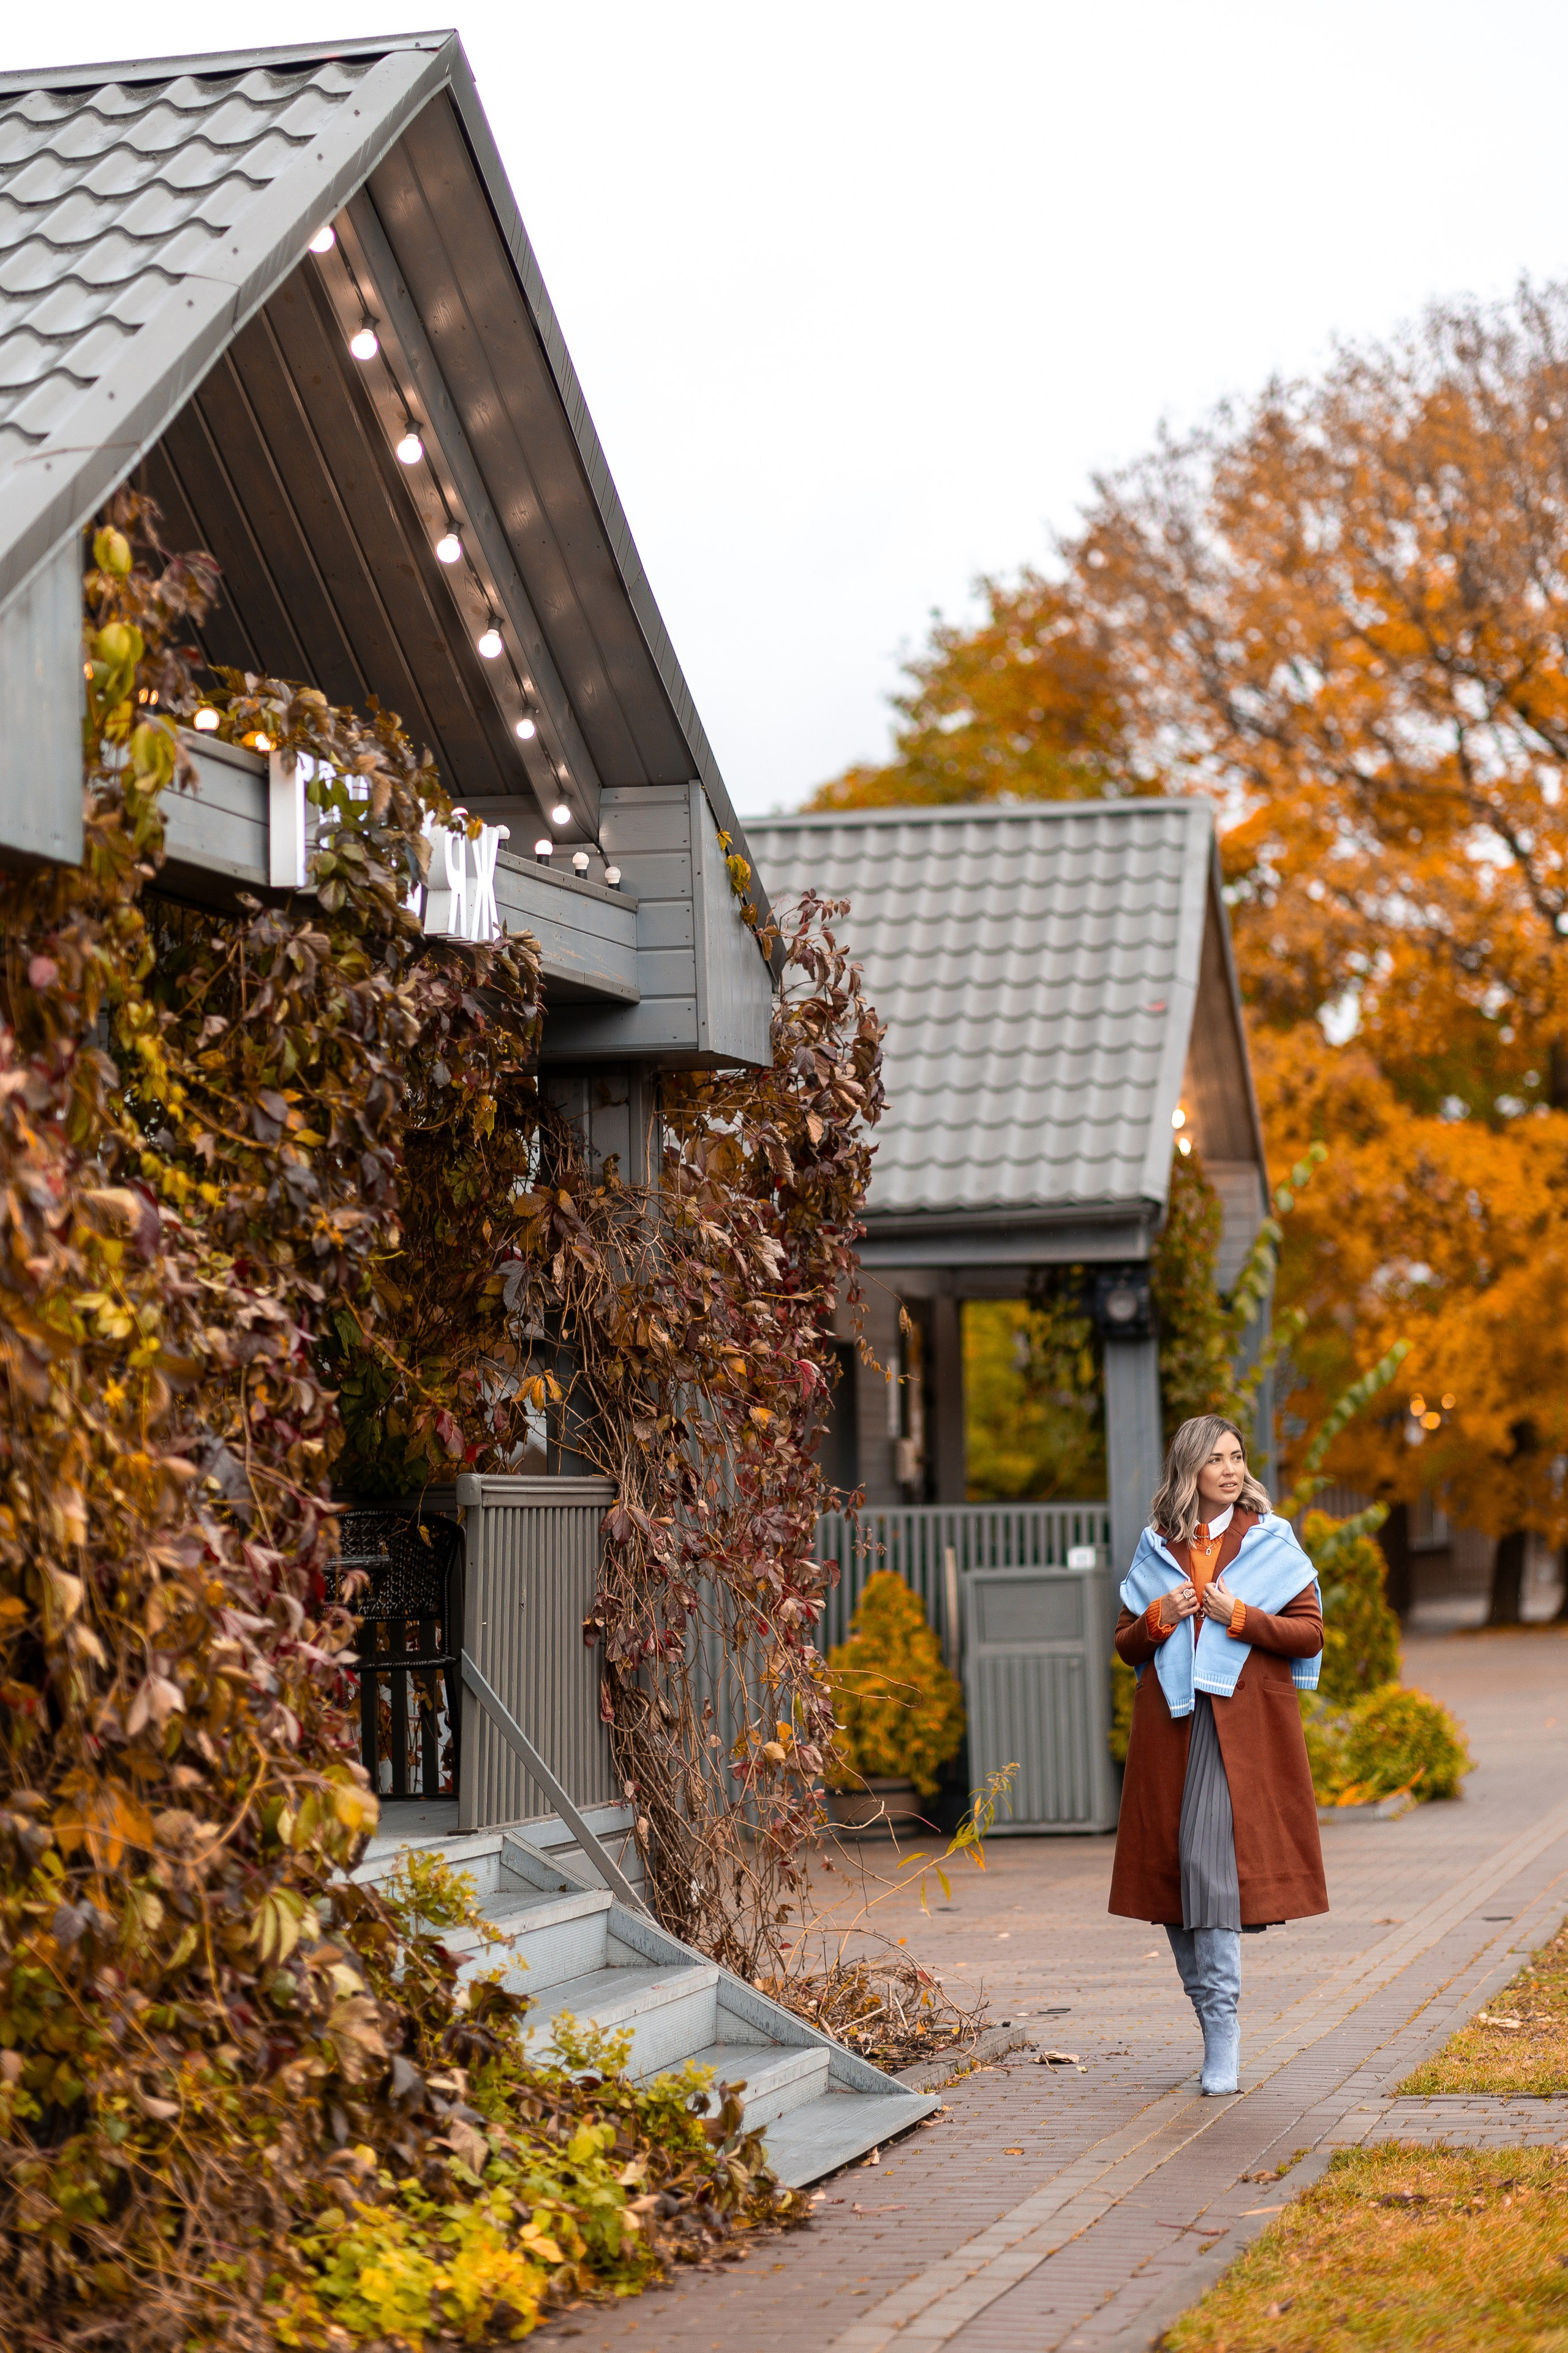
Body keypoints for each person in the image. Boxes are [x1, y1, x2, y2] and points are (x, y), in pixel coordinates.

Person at [1108, 1414, 1327, 2095]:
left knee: (1212, 1878)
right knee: (1173, 1887)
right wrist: (1158, 1619)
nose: (1231, 1470)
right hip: (1171, 1728)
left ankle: (1223, 2032)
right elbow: (1125, 1644)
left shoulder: (1270, 1542)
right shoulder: (1157, 1547)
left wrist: (1237, 1615)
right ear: (1189, 1471)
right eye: (1216, 1460)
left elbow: (1309, 1635)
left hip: (1240, 1731)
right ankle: (1209, 2021)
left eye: (1237, 1457)